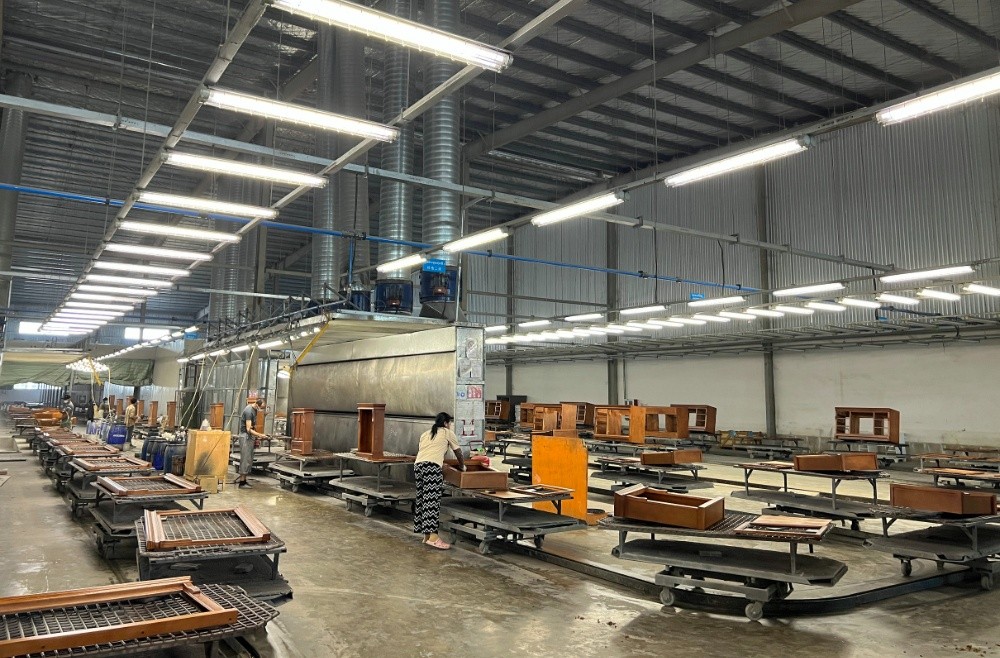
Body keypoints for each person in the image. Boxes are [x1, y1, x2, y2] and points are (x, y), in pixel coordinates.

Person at [413, 412, 465, 550]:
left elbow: (426, 451)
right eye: (450, 423)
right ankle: (434, 537)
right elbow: (458, 452)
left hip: (418, 466)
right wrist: (462, 466)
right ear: (446, 423)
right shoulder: (447, 433)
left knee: (423, 500)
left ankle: (426, 535)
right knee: (432, 502)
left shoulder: (425, 434)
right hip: (432, 468)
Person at [236, 398, 267, 488]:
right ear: (257, 404)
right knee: (245, 459)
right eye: (261, 407)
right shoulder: (249, 411)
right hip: (245, 437)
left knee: (249, 459)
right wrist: (260, 435)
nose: (261, 409)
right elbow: (248, 429)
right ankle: (242, 483)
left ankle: (244, 480)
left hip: (249, 437)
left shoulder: (254, 410)